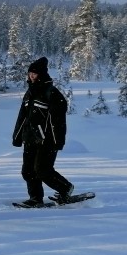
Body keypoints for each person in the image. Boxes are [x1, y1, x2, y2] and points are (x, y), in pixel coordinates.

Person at [11, 56, 76, 207]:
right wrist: (17, 136)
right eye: (29, 73)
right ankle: (35, 198)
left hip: (47, 140)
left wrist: (57, 140)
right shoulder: (29, 93)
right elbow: (22, 117)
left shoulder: (51, 92)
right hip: (30, 138)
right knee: (27, 171)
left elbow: (58, 120)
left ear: (41, 74)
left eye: (34, 73)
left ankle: (65, 188)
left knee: (42, 170)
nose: (31, 76)